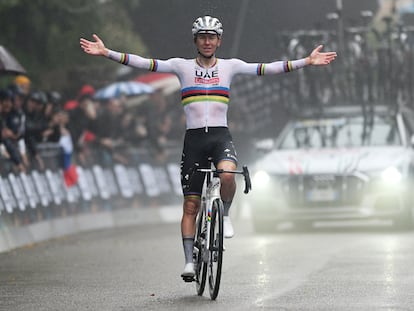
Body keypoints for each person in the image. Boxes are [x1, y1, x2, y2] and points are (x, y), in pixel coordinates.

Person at [80, 15, 337, 279]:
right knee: (191, 206)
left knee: (227, 174)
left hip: (220, 136)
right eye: (202, 37)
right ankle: (189, 261)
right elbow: (146, 63)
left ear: (219, 41)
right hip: (194, 141)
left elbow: (266, 68)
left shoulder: (230, 66)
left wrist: (306, 62)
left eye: (211, 37)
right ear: (195, 40)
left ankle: (224, 216)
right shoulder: (181, 66)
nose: (207, 42)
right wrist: (106, 52)